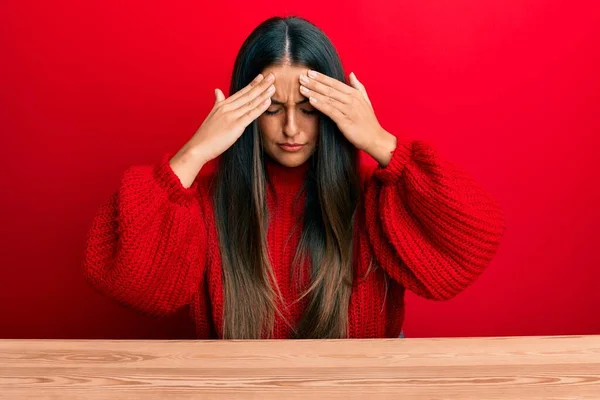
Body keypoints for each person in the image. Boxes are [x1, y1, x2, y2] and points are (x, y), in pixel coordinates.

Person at [82, 16, 506, 340]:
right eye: (270, 110)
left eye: (307, 109)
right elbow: (124, 282)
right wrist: (194, 153)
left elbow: (475, 240)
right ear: (243, 111)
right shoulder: (203, 207)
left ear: (333, 107)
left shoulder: (380, 200)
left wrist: (380, 143)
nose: (291, 129)